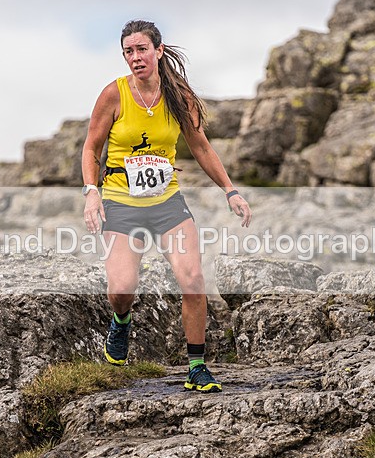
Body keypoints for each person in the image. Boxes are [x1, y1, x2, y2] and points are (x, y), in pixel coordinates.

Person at [81, 20, 252, 393]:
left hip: (166, 202)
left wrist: (230, 191)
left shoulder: (179, 98)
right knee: (121, 289)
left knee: (193, 280)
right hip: (121, 202)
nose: (135, 57)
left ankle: (196, 367)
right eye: (128, 51)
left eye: (142, 49)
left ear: (158, 51)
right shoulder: (113, 94)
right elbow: (92, 147)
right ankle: (121, 322)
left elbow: (201, 147)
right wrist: (92, 191)